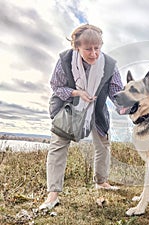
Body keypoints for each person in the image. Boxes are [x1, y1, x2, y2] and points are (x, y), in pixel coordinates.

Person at [39, 24, 123, 210]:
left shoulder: (110, 65)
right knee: (58, 146)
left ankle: (101, 182)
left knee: (103, 144)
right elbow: (57, 86)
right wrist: (77, 93)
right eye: (88, 49)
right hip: (68, 108)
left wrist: (124, 107)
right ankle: (53, 195)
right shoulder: (64, 60)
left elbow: (116, 92)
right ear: (77, 47)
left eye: (97, 48)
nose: (94, 54)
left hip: (96, 109)